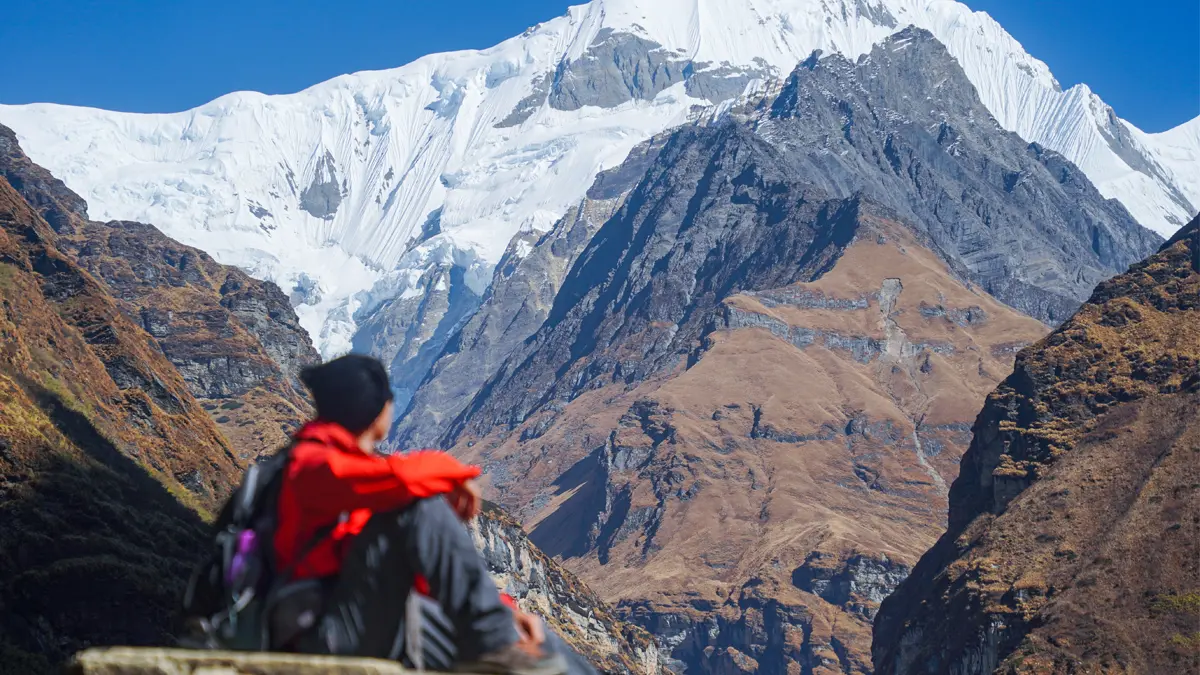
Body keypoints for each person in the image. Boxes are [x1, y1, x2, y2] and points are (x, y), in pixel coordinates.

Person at [274, 354, 584, 675]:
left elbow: (409, 566)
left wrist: (504, 613)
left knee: (538, 642)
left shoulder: (346, 472)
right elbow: (404, 480)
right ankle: (496, 641)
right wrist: (453, 471)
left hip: (346, 618)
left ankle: (501, 638)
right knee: (418, 504)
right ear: (379, 409)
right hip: (318, 628)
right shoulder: (308, 461)